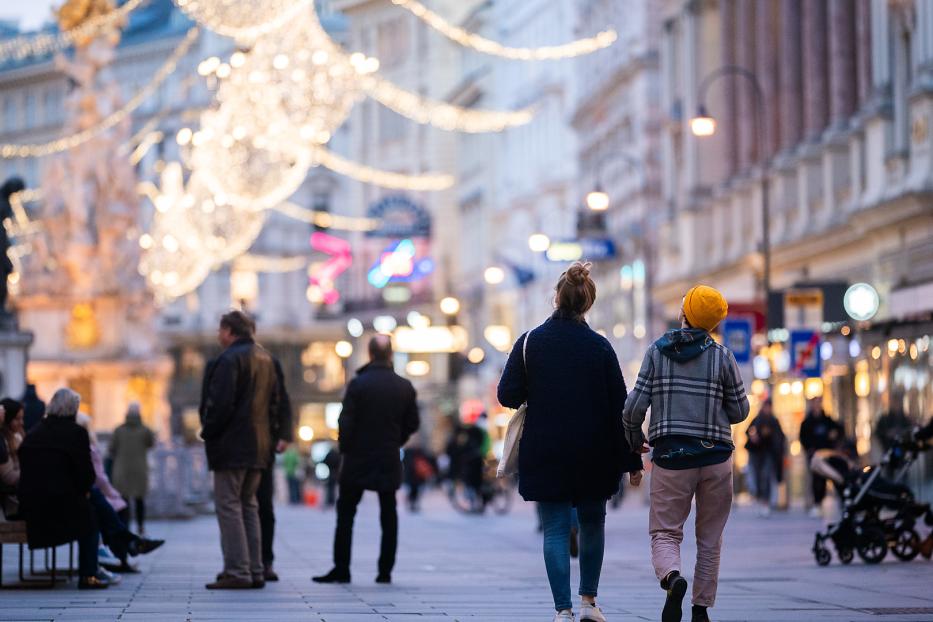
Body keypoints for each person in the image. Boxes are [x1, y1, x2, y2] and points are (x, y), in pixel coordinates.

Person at [498, 262, 644, 622]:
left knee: (557, 528)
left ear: (555, 299)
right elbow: (620, 408)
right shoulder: (600, 348)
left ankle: (562, 609)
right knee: (593, 522)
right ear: (588, 303)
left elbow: (507, 394)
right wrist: (632, 461)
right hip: (594, 451)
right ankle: (589, 604)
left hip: (546, 448)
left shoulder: (531, 342)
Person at [624, 284, 750, 622]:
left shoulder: (656, 352)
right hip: (715, 459)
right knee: (710, 538)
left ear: (684, 314)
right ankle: (700, 608)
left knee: (665, 532)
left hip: (671, 458)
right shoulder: (722, 356)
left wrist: (635, 441)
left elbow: (633, 408)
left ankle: (672, 578)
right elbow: (740, 412)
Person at [313, 334, 420, 585]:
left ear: (369, 354)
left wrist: (346, 448)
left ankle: (342, 568)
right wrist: (397, 440)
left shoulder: (358, 384)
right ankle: (385, 571)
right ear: (391, 355)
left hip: (357, 457)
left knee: (346, 514)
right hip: (388, 455)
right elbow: (412, 423)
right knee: (388, 514)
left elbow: (345, 420)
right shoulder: (404, 386)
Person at [199, 310, 280, 590]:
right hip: (258, 445)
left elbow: (220, 405)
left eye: (221, 330)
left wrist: (207, 431)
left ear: (230, 332)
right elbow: (275, 404)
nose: (218, 335)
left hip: (232, 445)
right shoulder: (266, 358)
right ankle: (255, 568)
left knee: (229, 506)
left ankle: (237, 570)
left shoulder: (228, 359)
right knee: (249, 505)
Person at [17, 388, 111, 589]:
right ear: (73, 410)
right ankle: (89, 574)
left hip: (32, 506)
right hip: (62, 507)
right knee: (91, 515)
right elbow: (87, 476)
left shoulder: (33, 433)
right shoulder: (76, 433)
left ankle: (125, 541)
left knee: (91, 500)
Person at [76, 413, 164, 575]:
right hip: (133, 474)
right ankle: (127, 549)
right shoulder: (89, 448)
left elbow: (111, 449)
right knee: (122, 508)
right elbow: (99, 479)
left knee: (118, 507)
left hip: (119, 474)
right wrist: (113, 494)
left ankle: (126, 548)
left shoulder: (118, 431)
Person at [256, 356, 293, 582]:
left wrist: (284, 435)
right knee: (246, 506)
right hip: (252, 443)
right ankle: (247, 562)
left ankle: (264, 561)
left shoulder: (270, 362)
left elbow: (283, 401)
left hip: (263, 444)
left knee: (262, 504)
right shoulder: (225, 360)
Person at [109, 402, 155, 535]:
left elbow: (112, 448)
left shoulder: (118, 430)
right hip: (140, 469)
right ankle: (141, 527)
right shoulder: (146, 430)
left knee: (124, 500)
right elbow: (151, 443)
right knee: (140, 499)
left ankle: (125, 526)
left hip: (122, 469)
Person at [799, 397, 843, 516]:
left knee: (827, 478)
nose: (817, 406)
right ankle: (816, 503)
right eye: (815, 403)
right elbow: (803, 438)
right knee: (815, 479)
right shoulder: (807, 422)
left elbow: (839, 430)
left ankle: (826, 501)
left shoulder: (827, 420)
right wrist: (810, 449)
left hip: (827, 455)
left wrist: (834, 437)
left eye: (819, 403)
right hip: (814, 456)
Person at [745, 399, 785, 517]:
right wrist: (753, 437)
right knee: (757, 477)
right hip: (757, 453)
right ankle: (761, 499)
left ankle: (766, 502)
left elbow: (780, 438)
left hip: (769, 454)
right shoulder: (757, 420)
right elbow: (748, 431)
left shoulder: (774, 421)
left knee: (766, 476)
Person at [0, 399, 23, 518]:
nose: (21, 423)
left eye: (22, 418)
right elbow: (8, 476)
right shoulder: (3, 442)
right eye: (17, 419)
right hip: (11, 502)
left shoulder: (18, 436)